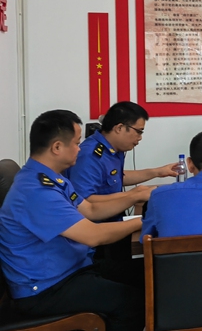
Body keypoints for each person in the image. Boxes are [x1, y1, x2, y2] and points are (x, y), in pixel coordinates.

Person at [0, 110, 151, 331]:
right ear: (57, 147)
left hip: (71, 268)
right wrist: (146, 222)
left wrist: (138, 195)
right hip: (46, 288)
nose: (80, 149)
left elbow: (91, 210)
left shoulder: (51, 178)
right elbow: (93, 234)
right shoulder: (36, 191)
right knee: (133, 302)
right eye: (77, 142)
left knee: (148, 273)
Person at [66, 101, 178, 259]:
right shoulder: (90, 155)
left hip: (114, 220)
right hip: (98, 233)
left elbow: (116, 178)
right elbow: (85, 202)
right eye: (138, 132)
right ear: (119, 128)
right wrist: (134, 195)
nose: (139, 138)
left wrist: (158, 172)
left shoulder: (113, 149)